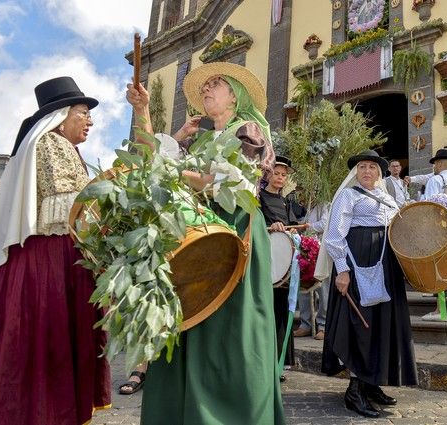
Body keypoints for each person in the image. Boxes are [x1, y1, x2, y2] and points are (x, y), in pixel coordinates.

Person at [127, 62, 284, 424]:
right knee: (189, 318)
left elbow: (233, 186)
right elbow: (152, 158)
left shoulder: (249, 129)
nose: (206, 89)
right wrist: (142, 110)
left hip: (234, 228)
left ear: (235, 94)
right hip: (195, 230)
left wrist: (176, 172)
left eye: (215, 84)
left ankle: (231, 413)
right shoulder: (197, 138)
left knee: (232, 324)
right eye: (204, 86)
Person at [0, 76, 111, 424]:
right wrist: (110, 187)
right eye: (83, 113)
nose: (90, 121)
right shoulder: (51, 144)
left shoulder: (61, 146)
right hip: (51, 258)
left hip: (53, 255)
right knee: (49, 336)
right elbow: (64, 203)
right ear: (62, 115)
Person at [322, 149, 417, 418]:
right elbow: (334, 236)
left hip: (385, 264)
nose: (367, 171)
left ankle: (372, 383)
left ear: (380, 172)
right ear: (356, 172)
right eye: (362, 167)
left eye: (372, 168)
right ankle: (355, 391)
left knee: (381, 323)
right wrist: (342, 270)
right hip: (357, 262)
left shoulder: (387, 197)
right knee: (360, 324)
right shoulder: (348, 195)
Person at [259, 155, 297, 378]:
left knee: (283, 309)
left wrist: (294, 231)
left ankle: (280, 362)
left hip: (286, 262)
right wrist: (270, 226)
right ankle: (265, 362)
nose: (280, 177)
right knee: (269, 309)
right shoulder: (259, 197)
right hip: (268, 260)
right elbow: (255, 224)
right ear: (267, 174)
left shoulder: (286, 201)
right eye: (276, 173)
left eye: (284, 175)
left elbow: (293, 225)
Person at [418, 149, 447, 322]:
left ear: (438, 164)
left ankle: (440, 310)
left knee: (438, 267)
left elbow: (428, 207)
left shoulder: (436, 180)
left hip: (440, 229)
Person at [294, 202, 330, 340]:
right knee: (304, 288)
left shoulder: (325, 204)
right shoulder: (305, 204)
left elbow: (325, 223)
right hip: (304, 249)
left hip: (321, 250)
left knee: (322, 288)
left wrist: (308, 227)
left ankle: (323, 325)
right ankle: (305, 324)